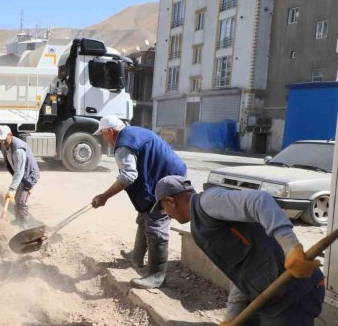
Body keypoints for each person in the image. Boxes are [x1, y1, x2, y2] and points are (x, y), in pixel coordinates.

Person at [153, 176, 324, 326]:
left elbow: (260, 201)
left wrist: (291, 248)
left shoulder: (208, 202)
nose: (167, 215)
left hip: (296, 292)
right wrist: (232, 318)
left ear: (170, 201)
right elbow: (240, 272)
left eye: (163, 208)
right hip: (272, 297)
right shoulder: (200, 224)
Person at [90, 116, 187, 289]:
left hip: (167, 181)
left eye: (103, 135)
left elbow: (128, 176)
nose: (104, 139)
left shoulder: (123, 145)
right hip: (165, 174)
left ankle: (157, 276)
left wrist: (104, 196)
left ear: (111, 132)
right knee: (145, 215)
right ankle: (136, 256)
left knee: (156, 223)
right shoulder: (134, 132)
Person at [0, 125, 40, 229]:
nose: (2, 142)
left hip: (29, 176)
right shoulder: (5, 145)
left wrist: (12, 188)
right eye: (0, 140)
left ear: (10, 135)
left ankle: (25, 225)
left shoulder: (18, 149)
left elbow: (20, 172)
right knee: (17, 197)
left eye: (4, 139)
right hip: (21, 175)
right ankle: (18, 219)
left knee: (20, 200)